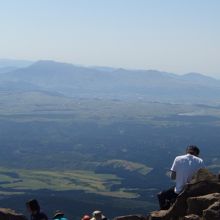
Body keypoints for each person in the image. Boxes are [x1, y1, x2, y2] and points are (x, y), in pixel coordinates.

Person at [157, 145, 205, 210]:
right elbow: (203, 177)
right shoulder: (200, 161)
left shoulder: (178, 158)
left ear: (187, 151)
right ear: (197, 153)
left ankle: (165, 211)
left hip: (178, 191)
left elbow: (172, 177)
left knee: (160, 195)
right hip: (193, 191)